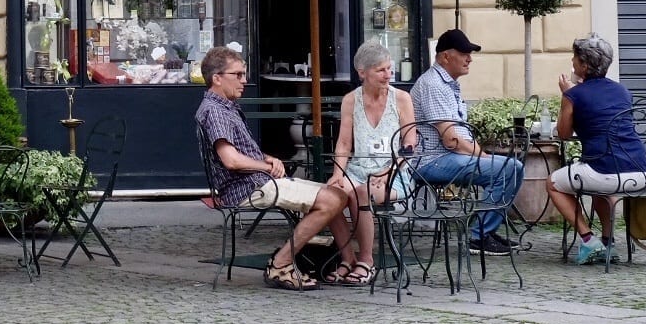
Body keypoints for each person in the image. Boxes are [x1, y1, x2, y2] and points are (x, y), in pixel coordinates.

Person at [195, 46, 353, 292]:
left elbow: (244, 153)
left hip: (255, 181)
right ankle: (281, 263)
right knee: (332, 200)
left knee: (337, 195)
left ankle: (349, 263)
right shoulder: (215, 111)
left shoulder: (226, 107)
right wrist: (266, 165)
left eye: (244, 74)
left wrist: (269, 159)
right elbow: (231, 160)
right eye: (237, 75)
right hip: (247, 188)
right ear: (217, 78)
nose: (244, 80)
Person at [409, 28, 524, 255]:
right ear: (445, 57)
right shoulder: (433, 85)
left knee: (512, 167)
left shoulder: (447, 83)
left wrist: (481, 155)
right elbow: (451, 139)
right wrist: (482, 155)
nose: (470, 58)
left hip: (447, 157)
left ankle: (484, 231)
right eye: (464, 53)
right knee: (509, 169)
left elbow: (458, 137)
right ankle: (479, 237)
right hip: (431, 161)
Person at [545, 33, 646, 264]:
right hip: (641, 172)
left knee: (552, 183)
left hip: (607, 173)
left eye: (574, 58)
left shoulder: (574, 95)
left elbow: (563, 135)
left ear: (584, 65)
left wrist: (567, 95)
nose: (572, 62)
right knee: (598, 185)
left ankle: (587, 239)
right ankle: (608, 241)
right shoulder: (622, 91)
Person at [325, 40, 416, 285]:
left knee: (362, 193)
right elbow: (344, 144)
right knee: (329, 194)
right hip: (358, 169)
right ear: (362, 73)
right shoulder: (350, 100)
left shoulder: (402, 99)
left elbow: (409, 146)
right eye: (381, 70)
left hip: (396, 173)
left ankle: (367, 261)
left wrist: (388, 173)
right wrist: (338, 172)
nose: (388, 75)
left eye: (389, 69)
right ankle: (348, 259)